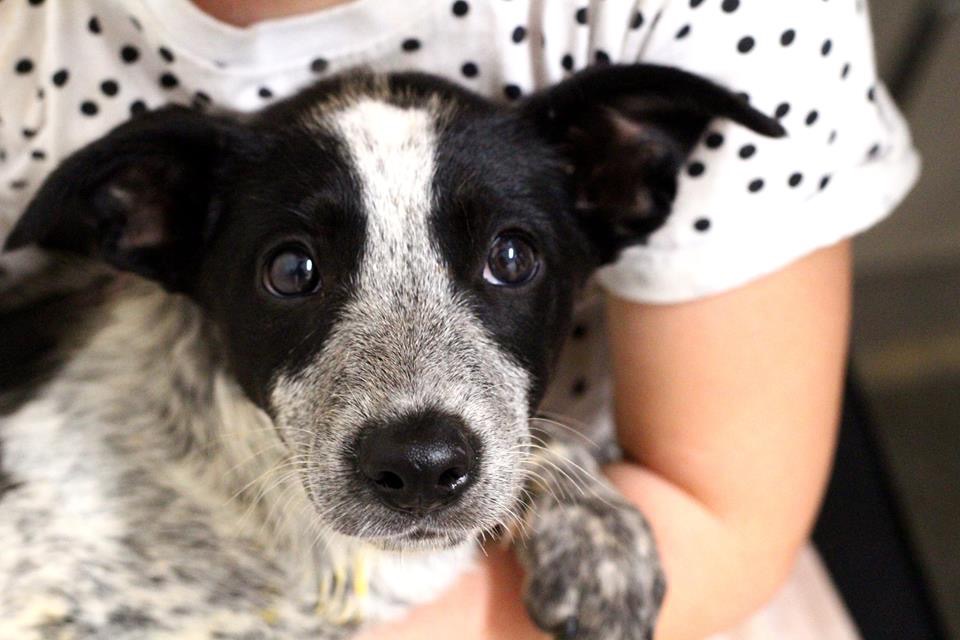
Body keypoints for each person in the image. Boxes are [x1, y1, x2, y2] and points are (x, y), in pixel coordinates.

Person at [0, 0, 919, 637]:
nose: (422, 440)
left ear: (614, 184)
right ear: (151, 222)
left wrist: (554, 475)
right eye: (295, 270)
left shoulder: (711, 20)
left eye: (509, 260)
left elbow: (721, 519)